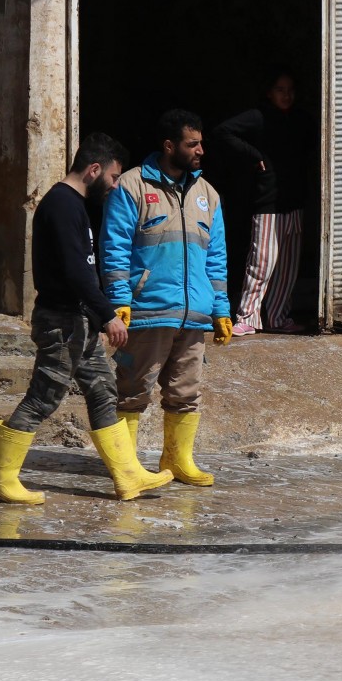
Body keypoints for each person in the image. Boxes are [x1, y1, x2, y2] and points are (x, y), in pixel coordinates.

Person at [0, 133, 174, 504]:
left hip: (78, 320)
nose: (116, 186)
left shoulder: (73, 205)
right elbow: (76, 272)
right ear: (94, 169)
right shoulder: (62, 205)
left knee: (103, 389)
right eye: (114, 177)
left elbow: (82, 268)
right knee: (43, 398)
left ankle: (127, 475)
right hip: (62, 321)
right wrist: (107, 315)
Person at [101, 109, 233, 487]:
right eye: (193, 144)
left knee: (186, 392)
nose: (201, 150)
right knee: (132, 392)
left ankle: (178, 460)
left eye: (201, 143)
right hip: (147, 311)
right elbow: (114, 248)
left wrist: (220, 309)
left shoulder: (208, 194)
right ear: (169, 146)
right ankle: (125, 467)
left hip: (194, 316)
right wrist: (119, 299)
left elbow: (217, 257)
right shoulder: (131, 187)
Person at [209, 68, 317, 335]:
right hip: (268, 204)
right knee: (262, 262)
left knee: (288, 266)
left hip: (295, 202)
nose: (287, 95)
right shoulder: (259, 117)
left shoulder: (301, 119)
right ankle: (247, 316)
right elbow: (222, 132)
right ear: (269, 93)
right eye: (280, 90)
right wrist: (253, 154)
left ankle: (278, 317)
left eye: (290, 90)